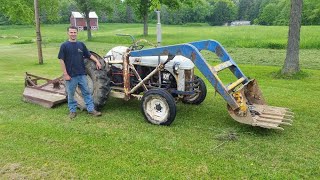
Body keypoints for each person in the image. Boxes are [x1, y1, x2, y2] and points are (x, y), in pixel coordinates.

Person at [58, 26, 102, 119]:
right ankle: (72, 111)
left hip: (82, 74)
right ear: (68, 33)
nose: (73, 34)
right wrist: (65, 74)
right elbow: (61, 60)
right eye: (71, 32)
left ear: (77, 33)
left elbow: (89, 55)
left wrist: (97, 61)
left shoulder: (81, 45)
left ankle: (91, 110)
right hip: (71, 75)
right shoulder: (64, 46)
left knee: (86, 92)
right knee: (71, 94)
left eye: (74, 32)